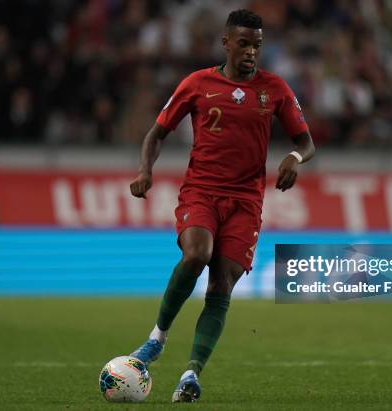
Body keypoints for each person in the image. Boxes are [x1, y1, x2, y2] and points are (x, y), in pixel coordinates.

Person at [129, 9, 315, 403]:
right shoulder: (198, 84)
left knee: (222, 283)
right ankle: (157, 338)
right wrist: (145, 170)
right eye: (244, 43)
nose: (250, 52)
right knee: (197, 254)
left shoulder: (275, 90)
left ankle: (191, 374)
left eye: (257, 46)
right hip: (201, 190)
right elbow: (157, 132)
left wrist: (293, 160)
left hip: (246, 201)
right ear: (226, 43)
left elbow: (306, 142)